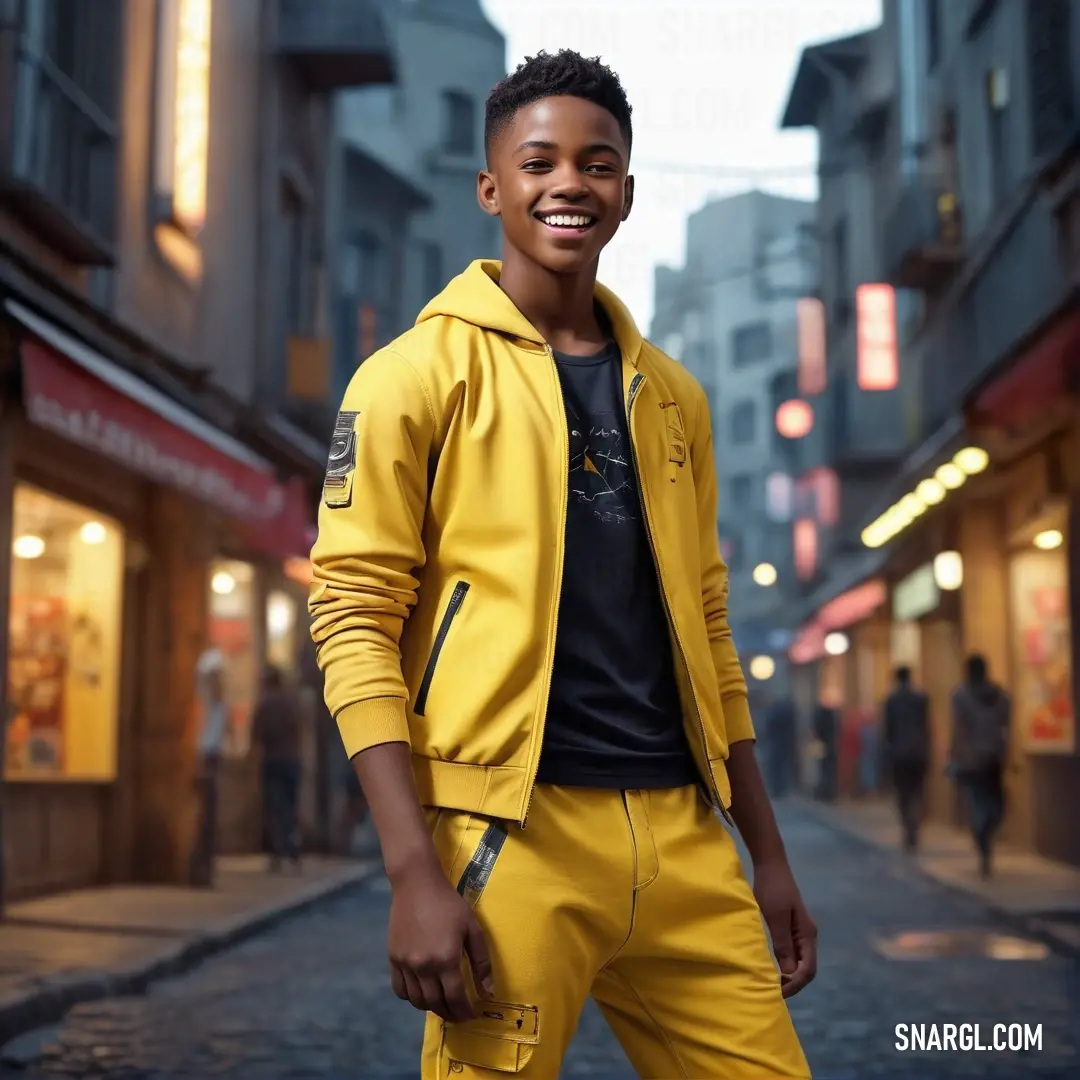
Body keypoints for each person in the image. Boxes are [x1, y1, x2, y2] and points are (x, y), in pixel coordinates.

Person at [309, 50, 814, 1079]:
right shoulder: (410, 376)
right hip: (512, 838)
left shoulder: (674, 397)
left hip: (685, 835)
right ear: (492, 186)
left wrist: (766, 852)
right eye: (539, 162)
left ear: (626, 190)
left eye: (598, 162)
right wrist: (413, 869)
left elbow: (707, 629)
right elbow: (353, 617)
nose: (569, 183)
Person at [949, 654, 1010, 878]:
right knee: (993, 804)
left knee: (979, 804)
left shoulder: (961, 695)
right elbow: (1006, 728)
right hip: (992, 758)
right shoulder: (1000, 695)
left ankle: (983, 840)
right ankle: (985, 840)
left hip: (973, 759)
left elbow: (958, 729)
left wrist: (955, 755)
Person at [251, 664, 303, 871]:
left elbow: (256, 734)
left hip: (272, 759)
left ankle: (278, 852)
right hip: (291, 760)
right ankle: (292, 846)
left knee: (274, 806)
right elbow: (299, 729)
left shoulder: (265, 704)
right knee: (290, 807)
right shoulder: (290, 703)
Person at [190, 646, 228, 887]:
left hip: (211, 758)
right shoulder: (200, 700)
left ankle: (204, 870)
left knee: (208, 818)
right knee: (200, 818)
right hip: (201, 758)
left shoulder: (217, 701)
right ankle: (197, 870)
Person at [882, 666, 930, 852]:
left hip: (899, 753)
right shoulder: (920, 699)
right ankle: (913, 827)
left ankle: (909, 827)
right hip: (917, 752)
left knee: (903, 793)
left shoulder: (892, 701)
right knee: (917, 792)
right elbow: (926, 727)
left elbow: (888, 731)